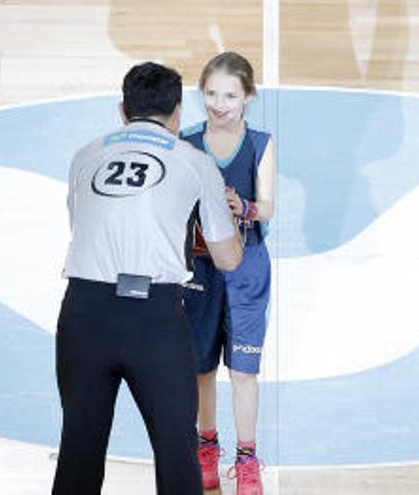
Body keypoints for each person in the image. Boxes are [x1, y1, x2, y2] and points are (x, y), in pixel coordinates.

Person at [52, 61, 243, 495]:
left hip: (83, 313)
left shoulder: (85, 155)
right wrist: (236, 220)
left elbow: (81, 229)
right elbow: (227, 258)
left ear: (123, 111)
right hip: (154, 320)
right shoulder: (195, 162)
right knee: (177, 454)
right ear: (178, 113)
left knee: (78, 452)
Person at [181, 52, 275, 495]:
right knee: (201, 368)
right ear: (201, 93)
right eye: (212, 94)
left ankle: (247, 459)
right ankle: (206, 446)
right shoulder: (184, 142)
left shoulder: (260, 142)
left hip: (247, 267)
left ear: (248, 97)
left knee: (243, 370)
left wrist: (247, 208)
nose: (220, 104)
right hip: (198, 266)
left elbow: (269, 206)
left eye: (230, 95)